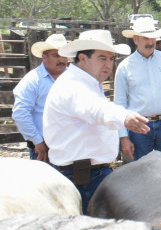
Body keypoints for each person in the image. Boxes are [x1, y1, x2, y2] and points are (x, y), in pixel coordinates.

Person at [43, 30, 150, 213]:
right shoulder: (73, 86)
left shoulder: (85, 83)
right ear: (83, 59)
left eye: (111, 59)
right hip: (83, 177)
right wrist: (124, 117)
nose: (108, 65)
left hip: (89, 174)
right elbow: (95, 109)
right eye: (102, 58)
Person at [114, 17, 161, 160]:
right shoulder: (124, 67)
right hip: (139, 125)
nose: (150, 42)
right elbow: (119, 103)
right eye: (145, 38)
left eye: (153, 38)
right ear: (135, 39)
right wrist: (123, 136)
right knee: (142, 173)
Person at [12, 33, 70, 161]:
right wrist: (37, 142)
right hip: (44, 145)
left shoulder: (73, 78)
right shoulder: (33, 80)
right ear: (44, 57)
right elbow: (20, 113)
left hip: (69, 143)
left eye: (64, 55)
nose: (61, 60)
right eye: (56, 55)